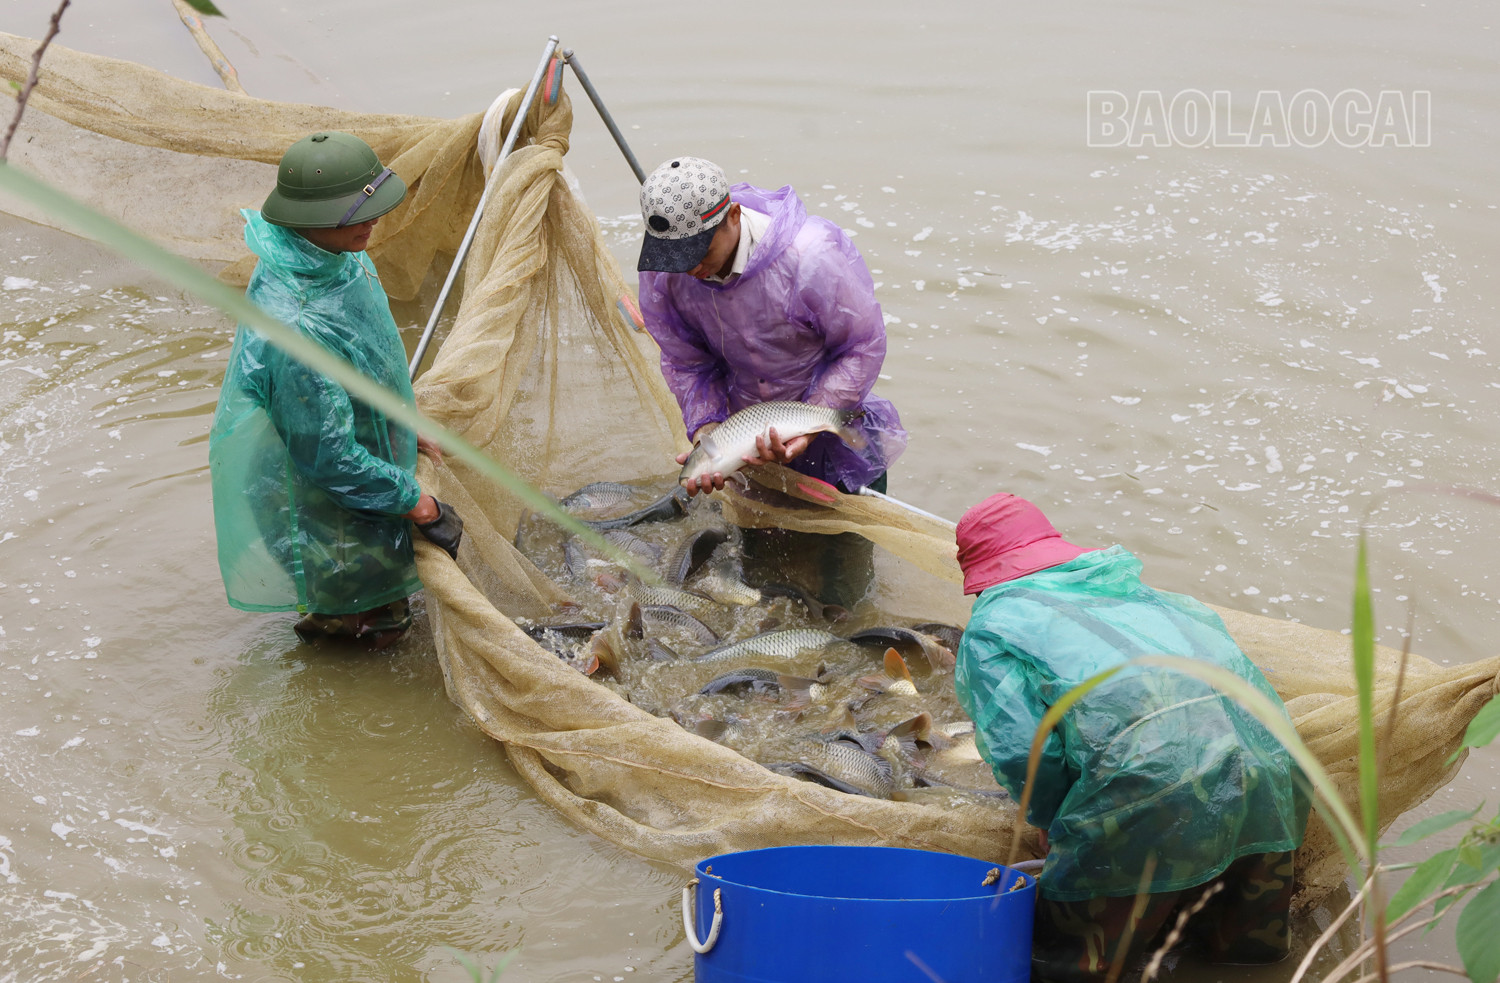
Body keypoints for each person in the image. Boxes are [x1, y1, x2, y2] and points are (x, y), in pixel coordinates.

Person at [952, 493, 1308, 983]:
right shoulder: (1139, 594)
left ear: (982, 578)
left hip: (1152, 791)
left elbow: (1022, 751)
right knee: (1246, 960)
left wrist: (1051, 821)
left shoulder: (992, 627)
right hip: (1274, 774)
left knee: (1074, 967)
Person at [209, 131, 462, 650]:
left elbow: (370, 355)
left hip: (341, 447)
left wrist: (403, 421)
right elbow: (330, 459)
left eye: (372, 209)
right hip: (312, 488)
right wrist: (419, 503)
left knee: (384, 598)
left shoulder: (335, 255)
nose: (372, 222)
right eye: (353, 215)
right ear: (304, 218)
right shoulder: (295, 328)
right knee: (355, 626)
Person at [635, 156, 906, 604]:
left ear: (733, 216)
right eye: (676, 259)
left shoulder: (811, 257)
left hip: (834, 444)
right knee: (761, 584)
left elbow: (861, 347)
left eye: (700, 253)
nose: (691, 269)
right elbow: (687, 363)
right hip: (751, 449)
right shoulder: (669, 277)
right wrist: (708, 430)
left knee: (844, 589)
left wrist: (813, 423)